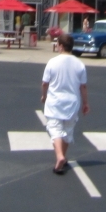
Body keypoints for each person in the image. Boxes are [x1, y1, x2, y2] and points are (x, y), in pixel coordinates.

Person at [40, 33, 90, 174]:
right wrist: (86, 103)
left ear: (61, 46)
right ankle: (63, 156)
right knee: (68, 129)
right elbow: (83, 86)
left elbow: (45, 83)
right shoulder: (79, 64)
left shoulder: (52, 62)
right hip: (72, 102)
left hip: (55, 101)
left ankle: (59, 156)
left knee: (54, 128)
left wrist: (44, 96)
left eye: (57, 44)